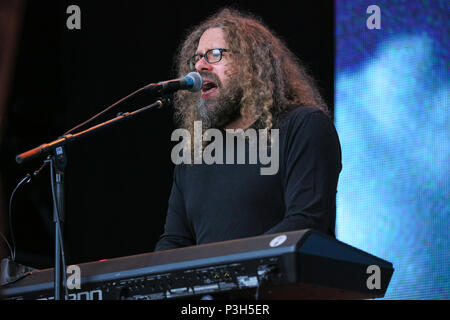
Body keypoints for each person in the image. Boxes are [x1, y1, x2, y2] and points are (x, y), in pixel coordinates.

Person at [154, 8, 341, 251]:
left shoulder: (303, 125)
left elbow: (305, 222)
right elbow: (175, 241)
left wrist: (227, 265)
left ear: (251, 63)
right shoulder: (196, 150)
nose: (199, 66)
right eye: (196, 58)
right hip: (213, 290)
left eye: (214, 54)